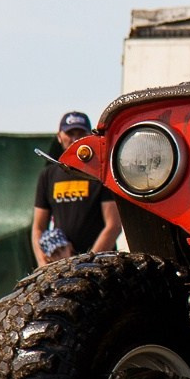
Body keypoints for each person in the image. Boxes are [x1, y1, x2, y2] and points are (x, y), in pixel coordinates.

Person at [31, 110, 122, 266]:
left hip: (101, 264)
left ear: (90, 136)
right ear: (59, 136)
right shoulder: (48, 176)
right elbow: (38, 227)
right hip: (61, 266)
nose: (75, 138)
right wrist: (42, 262)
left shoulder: (102, 173)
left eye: (80, 133)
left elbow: (113, 225)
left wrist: (87, 263)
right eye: (70, 133)